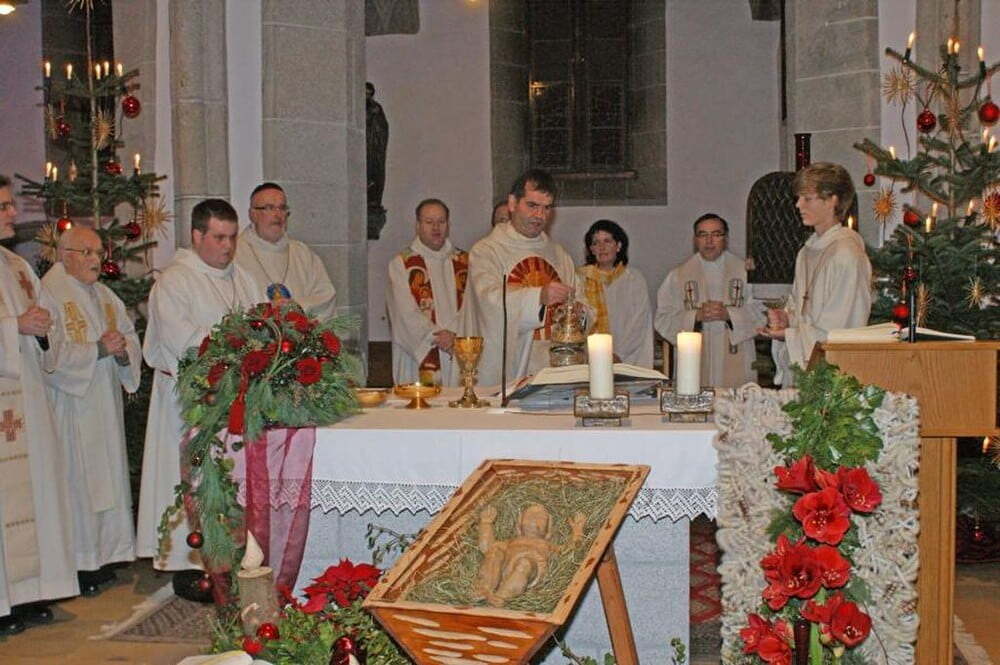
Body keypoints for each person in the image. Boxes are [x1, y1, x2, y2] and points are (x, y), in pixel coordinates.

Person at [138, 199, 262, 574]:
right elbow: (186, 342)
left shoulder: (243, 277)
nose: (228, 246)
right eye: (219, 237)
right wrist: (238, 344)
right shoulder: (174, 281)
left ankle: (231, 554)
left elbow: (261, 324)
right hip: (187, 400)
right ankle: (186, 563)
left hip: (232, 398)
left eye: (232, 237)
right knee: (190, 477)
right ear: (196, 236)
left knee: (227, 477)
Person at [41, 227, 141, 596]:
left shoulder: (104, 295)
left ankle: (107, 555)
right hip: (72, 406)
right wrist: (96, 350)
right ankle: (82, 562)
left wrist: (122, 351)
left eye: (99, 252)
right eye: (86, 252)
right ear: (64, 254)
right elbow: (49, 357)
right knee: (79, 483)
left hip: (103, 403)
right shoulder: (50, 293)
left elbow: (129, 336)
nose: (96, 260)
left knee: (107, 477)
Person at [0, 174, 78, 634]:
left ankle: (28, 593)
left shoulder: (16, 266)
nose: (13, 212)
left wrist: (44, 326)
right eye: (3, 206)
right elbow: (16, 324)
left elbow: (51, 324)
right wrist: (14, 327)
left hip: (27, 399)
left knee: (39, 493)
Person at [761, 162, 872, 386]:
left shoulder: (846, 254)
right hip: (803, 365)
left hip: (833, 374)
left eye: (807, 198)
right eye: (798, 198)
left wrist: (789, 335)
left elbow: (840, 328)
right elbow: (800, 307)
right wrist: (786, 319)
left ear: (832, 200)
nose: (798, 204)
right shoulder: (807, 251)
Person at [469, 169, 579, 385]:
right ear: (512, 203)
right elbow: (488, 302)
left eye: (546, 208)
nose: (540, 215)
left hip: (554, 368)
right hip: (508, 367)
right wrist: (538, 297)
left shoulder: (560, 255)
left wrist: (579, 312)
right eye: (532, 205)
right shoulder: (487, 251)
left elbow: (580, 303)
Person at [655, 213, 759, 388]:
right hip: (694, 359)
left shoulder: (746, 272)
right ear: (695, 239)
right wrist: (695, 316)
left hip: (736, 355)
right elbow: (662, 319)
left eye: (716, 234)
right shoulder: (677, 276)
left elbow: (762, 311)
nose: (709, 241)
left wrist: (730, 315)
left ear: (726, 238)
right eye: (703, 235)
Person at [386, 198, 469, 386]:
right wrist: (436, 336)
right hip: (419, 353)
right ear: (417, 226)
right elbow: (403, 312)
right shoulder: (401, 264)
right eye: (429, 222)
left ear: (448, 225)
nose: (436, 228)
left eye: (441, 221)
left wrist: (455, 333)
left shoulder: (465, 261)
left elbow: (472, 306)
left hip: (458, 347)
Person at [235, 182, 337, 320]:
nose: (278, 215)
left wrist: (298, 307)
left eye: (282, 208)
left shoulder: (303, 254)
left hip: (300, 333)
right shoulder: (234, 253)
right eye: (269, 208)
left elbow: (326, 296)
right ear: (253, 214)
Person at [576, 220, 653, 367]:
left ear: (618, 246)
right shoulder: (580, 279)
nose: (601, 247)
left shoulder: (634, 279)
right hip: (589, 359)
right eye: (596, 243)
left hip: (628, 358)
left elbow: (639, 322)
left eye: (607, 241)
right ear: (591, 249)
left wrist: (618, 354)